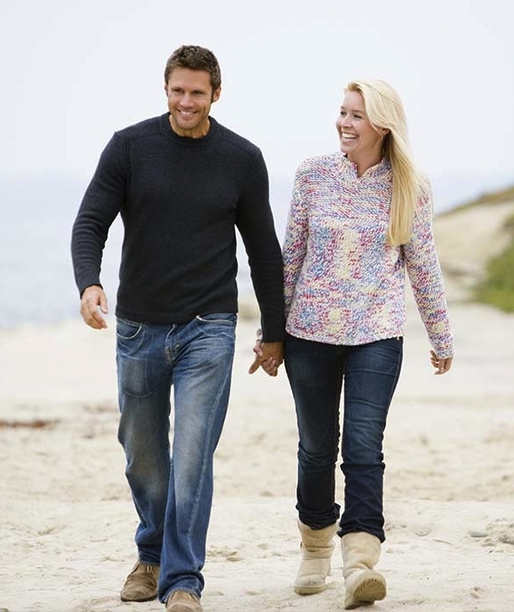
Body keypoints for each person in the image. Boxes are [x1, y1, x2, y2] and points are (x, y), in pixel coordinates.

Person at [71, 45, 285, 612]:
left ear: (217, 93)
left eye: (197, 92)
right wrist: (88, 284)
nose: (186, 102)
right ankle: (151, 552)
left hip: (208, 328)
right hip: (139, 327)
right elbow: (91, 220)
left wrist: (274, 331)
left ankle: (182, 580)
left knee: (192, 453)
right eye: (177, 91)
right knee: (142, 452)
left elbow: (263, 250)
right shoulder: (130, 147)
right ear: (165, 90)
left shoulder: (241, 158)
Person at [281, 79, 454, 609]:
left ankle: (359, 561)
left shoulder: (410, 186)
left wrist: (440, 334)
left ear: (382, 125)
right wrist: (270, 333)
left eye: (356, 116)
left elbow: (422, 264)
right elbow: (291, 257)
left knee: (362, 446)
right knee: (316, 448)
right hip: (309, 333)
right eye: (341, 112)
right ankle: (315, 547)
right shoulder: (312, 175)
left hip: (376, 334)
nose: (344, 123)